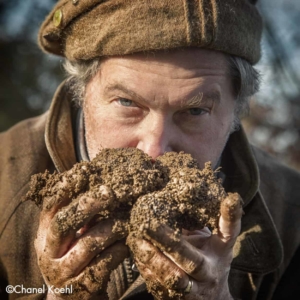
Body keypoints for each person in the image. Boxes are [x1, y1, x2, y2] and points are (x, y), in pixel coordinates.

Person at [0, 0, 300, 299]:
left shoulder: (292, 214)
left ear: (236, 110)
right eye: (127, 103)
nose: (154, 150)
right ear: (82, 92)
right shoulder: (4, 178)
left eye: (195, 111)